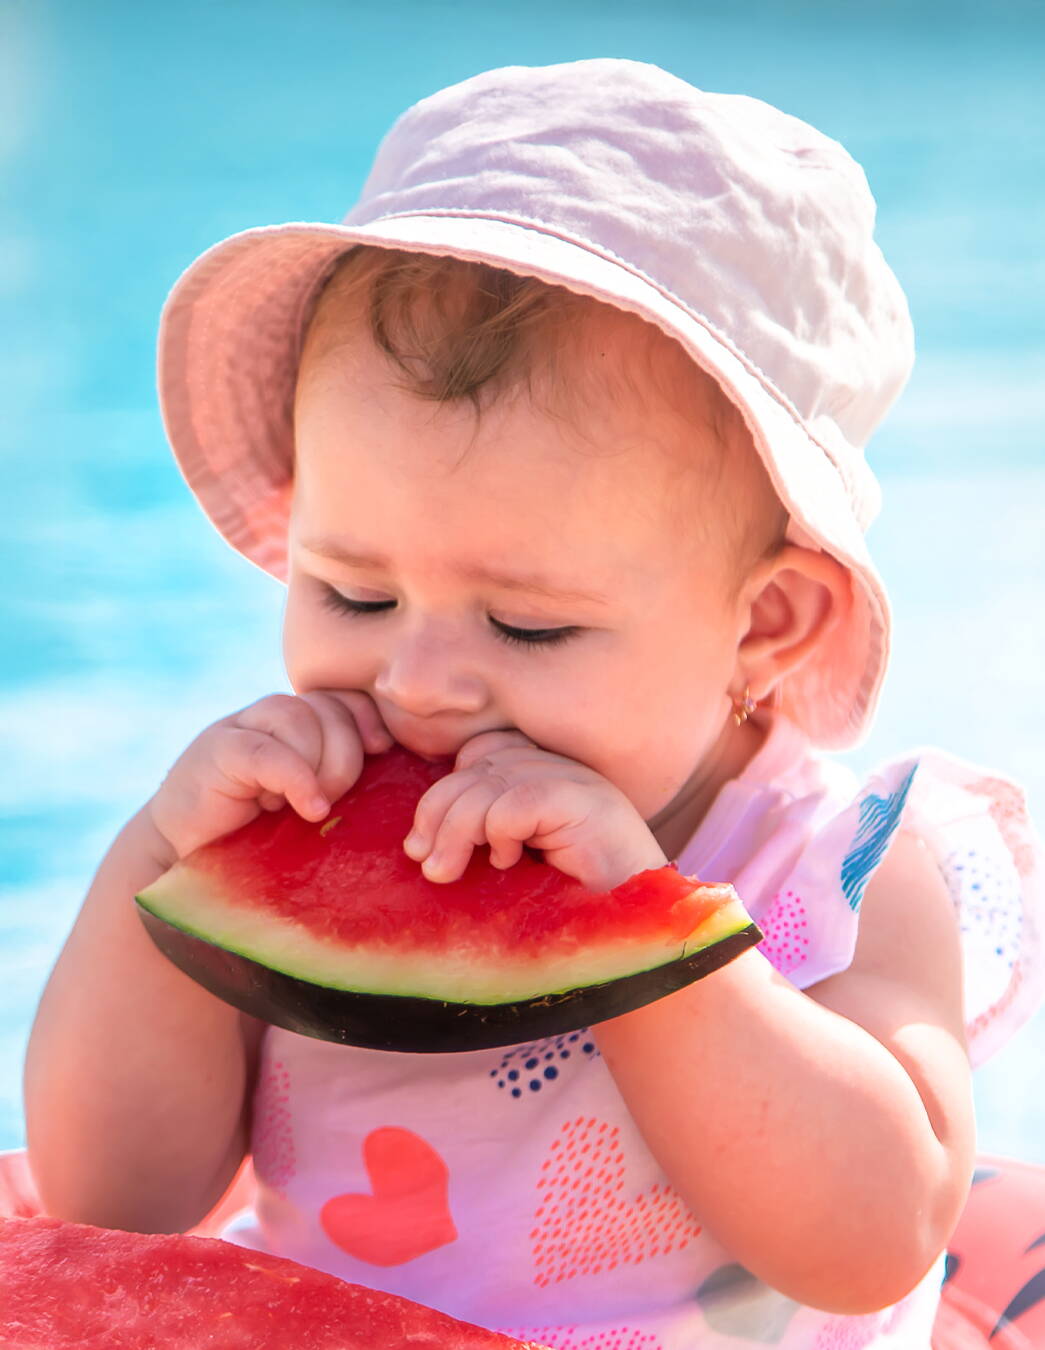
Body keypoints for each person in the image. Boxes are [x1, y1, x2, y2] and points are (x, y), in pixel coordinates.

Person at [23, 59, 1044, 1349]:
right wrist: (159, 863)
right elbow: (117, 1203)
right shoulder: (291, 812)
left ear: (766, 623)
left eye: (528, 624)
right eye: (351, 593)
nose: (418, 683)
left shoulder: (842, 876)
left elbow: (873, 1243)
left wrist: (648, 938)